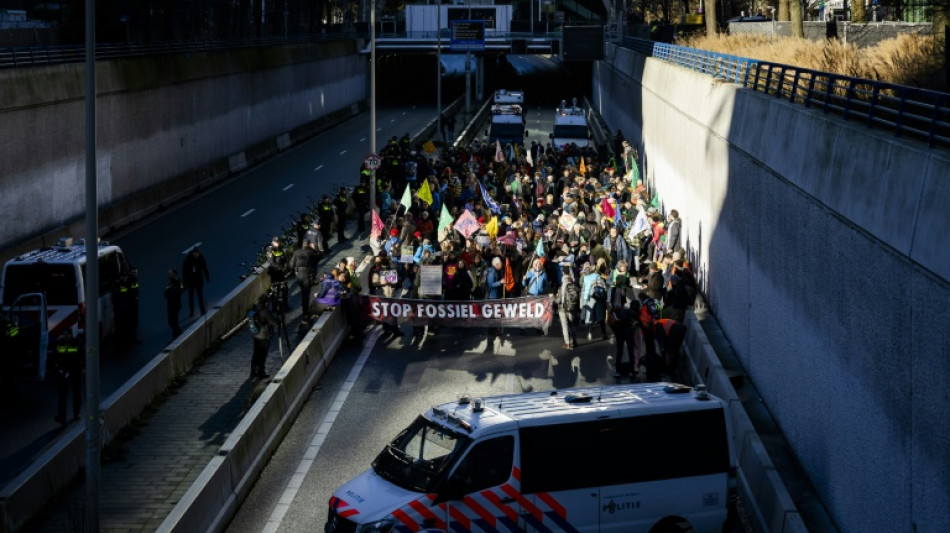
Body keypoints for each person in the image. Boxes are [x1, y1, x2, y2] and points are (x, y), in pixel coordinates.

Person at [53, 329, 83, 424]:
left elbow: (82, 355)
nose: (65, 336)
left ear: (71, 334)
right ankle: (62, 417)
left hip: (75, 370)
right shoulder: (58, 343)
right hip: (63, 370)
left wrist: (83, 367)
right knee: (62, 395)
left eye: (67, 334)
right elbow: (54, 356)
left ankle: (76, 413)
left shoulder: (77, 342)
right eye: (63, 334)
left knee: (76, 392)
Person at [607, 303, 638, 379]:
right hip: (628, 332)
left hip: (619, 334)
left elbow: (610, 324)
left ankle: (618, 371)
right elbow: (636, 316)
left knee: (619, 352)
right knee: (630, 351)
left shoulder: (612, 314)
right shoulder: (626, 311)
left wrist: (615, 331)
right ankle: (631, 371)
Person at [249, 300, 276, 379]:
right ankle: (261, 373)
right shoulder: (265, 311)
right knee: (262, 355)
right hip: (264, 336)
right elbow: (272, 323)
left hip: (255, 336)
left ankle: (253, 372)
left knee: (255, 353)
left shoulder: (253, 310)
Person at [182, 246, 210, 317]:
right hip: (191, 281)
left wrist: (207, 277)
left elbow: (204, 268)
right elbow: (184, 271)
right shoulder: (188, 260)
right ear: (193, 253)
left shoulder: (201, 258)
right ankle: (191, 312)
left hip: (199, 280)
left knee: (200, 296)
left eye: (197, 254)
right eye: (195, 253)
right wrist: (185, 281)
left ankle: (202, 311)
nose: (196, 255)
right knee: (191, 296)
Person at [291, 242, 318, 316]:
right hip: (307, 276)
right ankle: (305, 311)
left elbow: (291, 264)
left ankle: (305, 309)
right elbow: (315, 266)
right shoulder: (311, 253)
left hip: (299, 276)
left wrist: (296, 271)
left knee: (303, 292)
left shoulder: (296, 252)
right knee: (306, 294)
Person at [557, 265, 580, 349]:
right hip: (572, 308)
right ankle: (574, 341)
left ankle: (567, 343)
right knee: (572, 325)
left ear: (563, 273)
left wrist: (553, 298)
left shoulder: (562, 285)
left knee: (565, 326)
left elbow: (559, 300)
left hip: (563, 308)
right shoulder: (573, 284)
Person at [164, 269, 184, 339]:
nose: (168, 275)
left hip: (175, 304)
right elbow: (166, 292)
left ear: (174, 274)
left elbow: (179, 291)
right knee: (171, 321)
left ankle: (177, 334)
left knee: (173, 321)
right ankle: (176, 333)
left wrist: (170, 292)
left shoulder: (178, 282)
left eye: (170, 273)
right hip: (170, 303)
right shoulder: (171, 283)